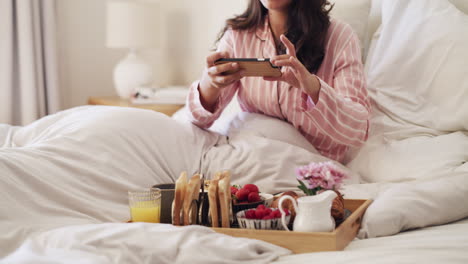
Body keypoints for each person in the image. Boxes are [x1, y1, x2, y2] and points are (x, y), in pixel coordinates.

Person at [186, 0, 370, 163]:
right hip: (253, 155)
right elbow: (197, 121)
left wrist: (312, 87)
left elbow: (358, 130)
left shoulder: (339, 37)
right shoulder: (237, 36)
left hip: (312, 168)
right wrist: (210, 83)